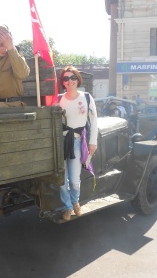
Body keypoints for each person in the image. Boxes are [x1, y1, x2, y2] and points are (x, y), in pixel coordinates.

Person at [58, 65, 98, 221]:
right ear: (63, 81)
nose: (70, 81)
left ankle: (75, 202)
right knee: (61, 180)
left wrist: (92, 142)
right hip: (61, 143)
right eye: (66, 78)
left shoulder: (86, 97)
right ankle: (67, 207)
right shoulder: (59, 99)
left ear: (78, 79)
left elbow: (93, 121)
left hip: (76, 142)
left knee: (74, 180)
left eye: (72, 77)